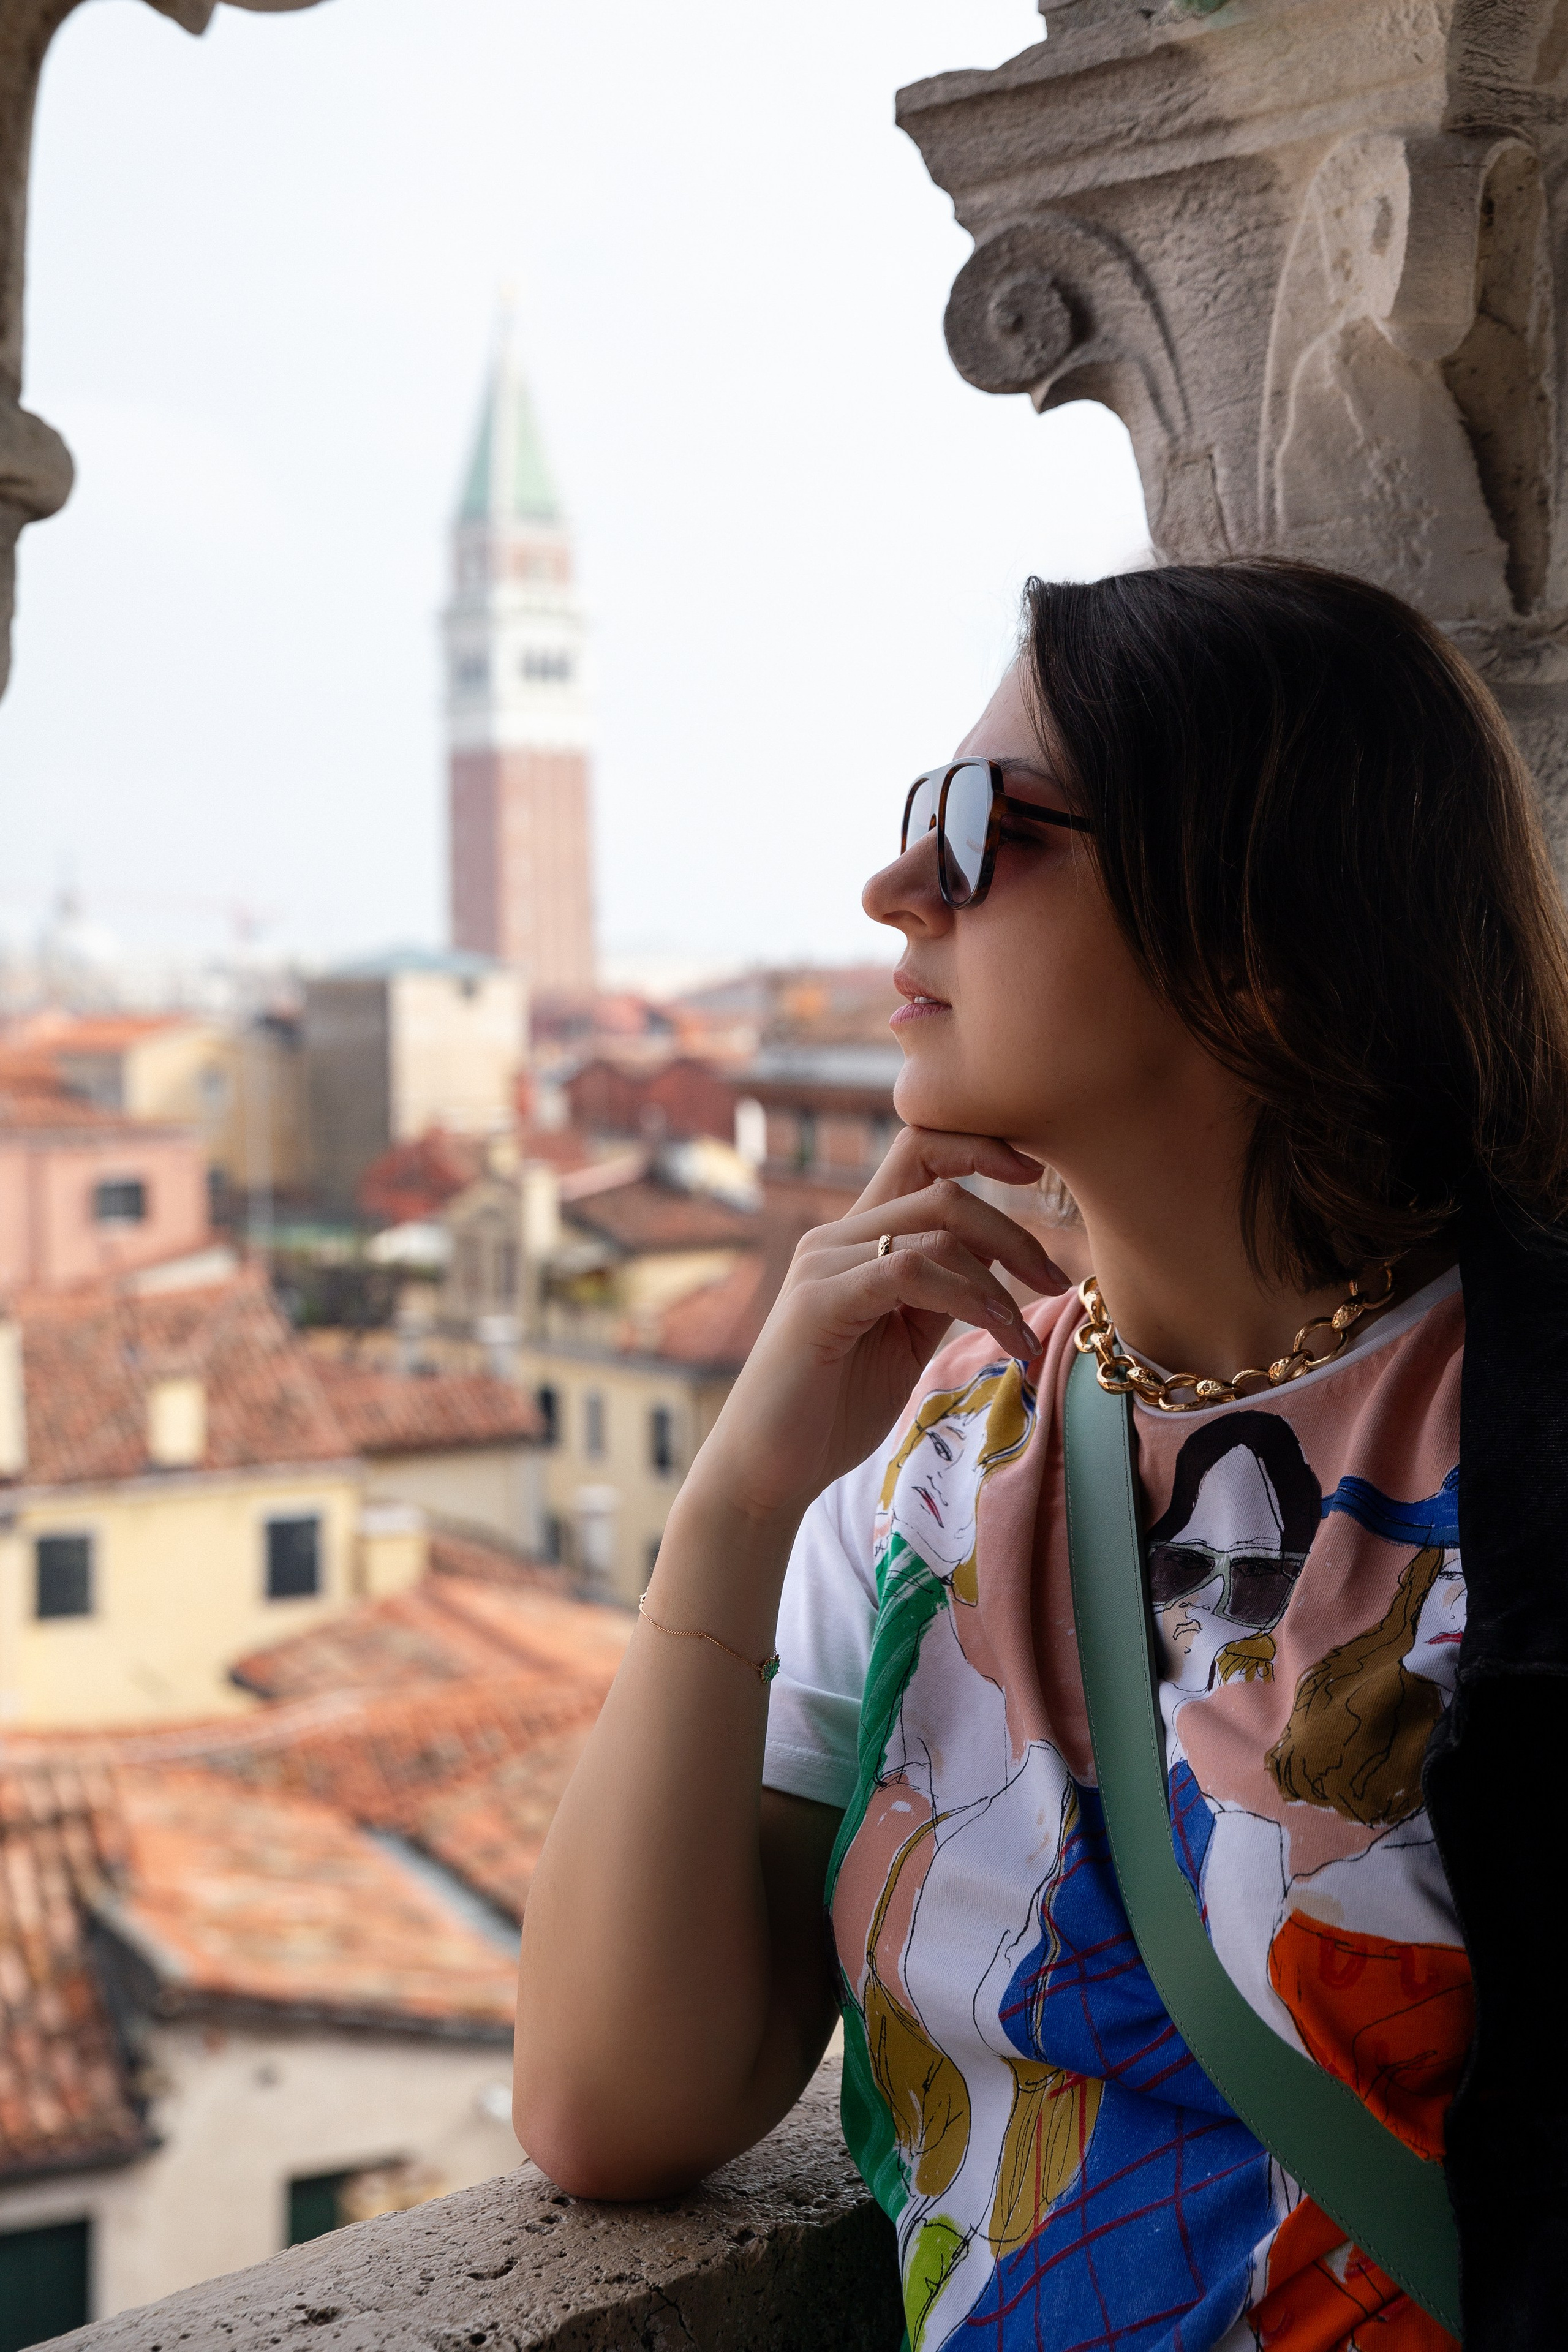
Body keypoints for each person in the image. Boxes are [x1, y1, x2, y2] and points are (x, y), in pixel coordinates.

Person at [513, 560, 1568, 2351]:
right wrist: (741, 1499)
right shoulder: (946, 1458)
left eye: (983, 826)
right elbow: (618, 2104)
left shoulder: (1517, 1434)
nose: (893, 885)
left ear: (1258, 935)